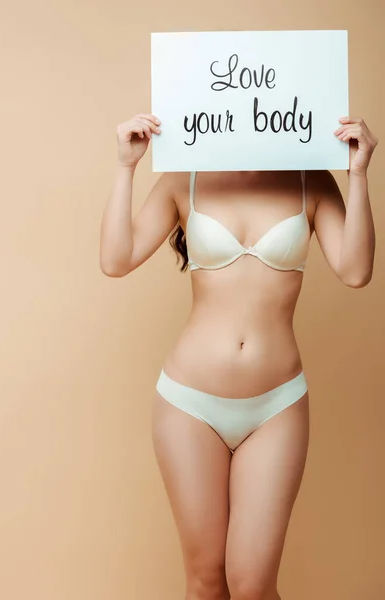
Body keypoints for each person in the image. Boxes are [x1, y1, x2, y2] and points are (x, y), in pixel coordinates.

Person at [99, 113, 377, 600]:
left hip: (277, 406)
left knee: (252, 585)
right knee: (206, 582)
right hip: (189, 404)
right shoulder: (181, 178)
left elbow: (355, 271)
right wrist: (126, 167)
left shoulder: (312, 179)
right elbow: (115, 260)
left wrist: (358, 176)